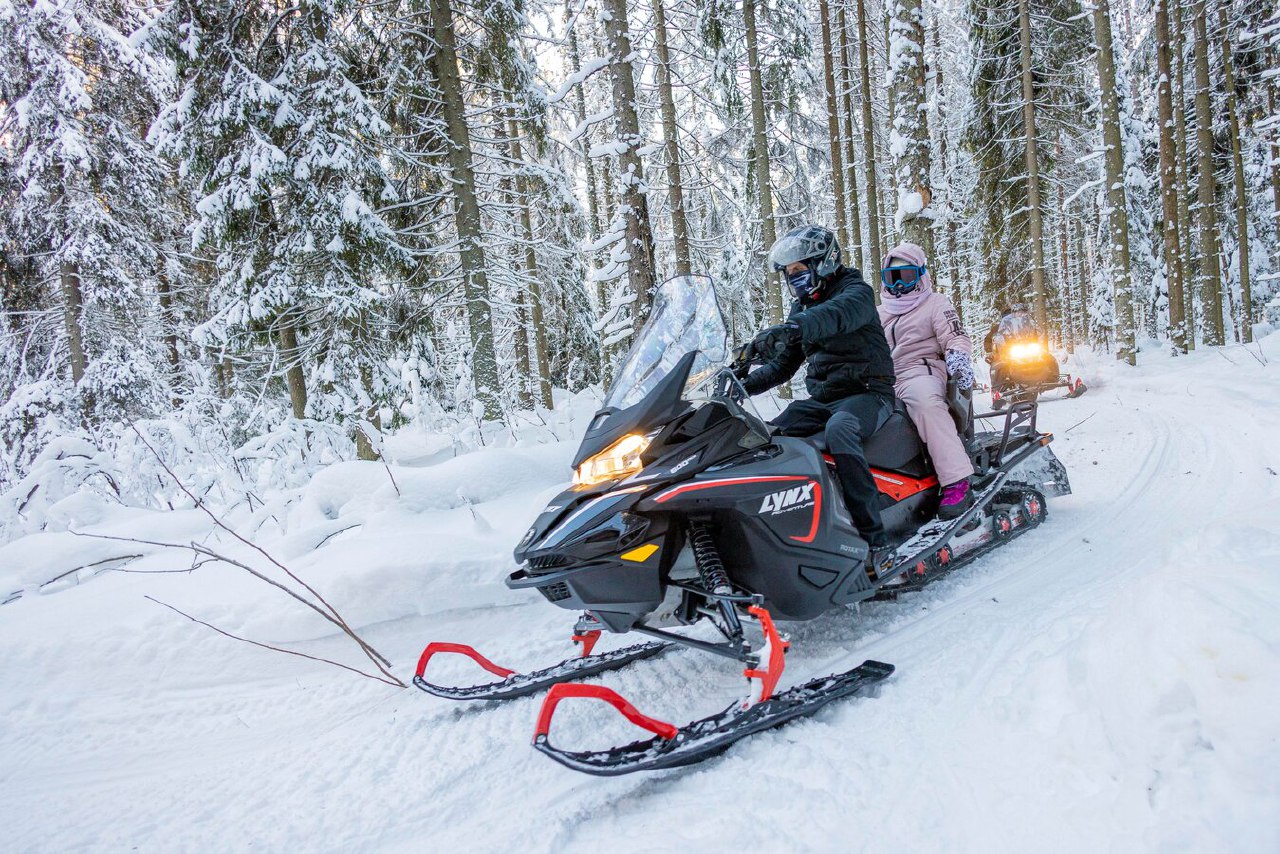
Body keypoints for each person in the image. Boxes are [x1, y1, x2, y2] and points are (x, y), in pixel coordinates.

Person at [740, 224, 898, 573]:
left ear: (822, 263)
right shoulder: (802, 309)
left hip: (869, 393)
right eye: (788, 273)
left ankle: (875, 540)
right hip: (824, 400)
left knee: (841, 429)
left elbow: (835, 316)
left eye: (799, 270)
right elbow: (783, 366)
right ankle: (787, 533)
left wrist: (792, 328)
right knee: (767, 435)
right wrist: (740, 382)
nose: (793, 278)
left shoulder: (856, 292)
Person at [876, 243, 977, 518]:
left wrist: (958, 358)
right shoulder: (879, 313)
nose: (899, 285)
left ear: (920, 275)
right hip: (883, 378)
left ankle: (957, 479)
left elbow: (955, 335)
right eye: (892, 278)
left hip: (921, 371)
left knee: (926, 405)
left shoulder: (935, 303)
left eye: (906, 276)